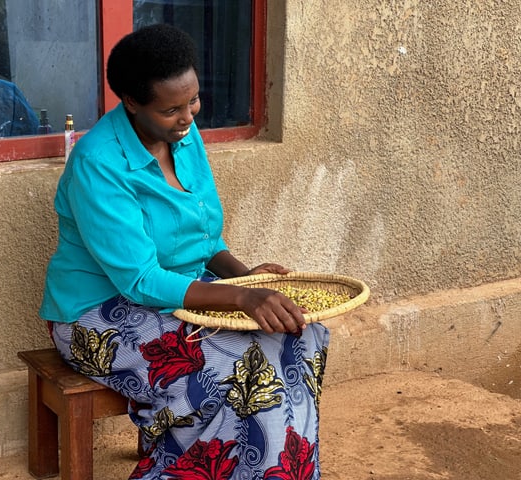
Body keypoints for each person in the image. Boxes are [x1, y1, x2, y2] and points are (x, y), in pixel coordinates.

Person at [39, 24, 329, 480]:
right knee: (238, 372)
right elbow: (139, 280)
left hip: (182, 295)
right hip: (97, 315)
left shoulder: (184, 138)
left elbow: (206, 241)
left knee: (300, 336)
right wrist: (239, 298)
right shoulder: (99, 164)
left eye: (192, 100)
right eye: (171, 108)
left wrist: (246, 279)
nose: (188, 117)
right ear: (132, 103)